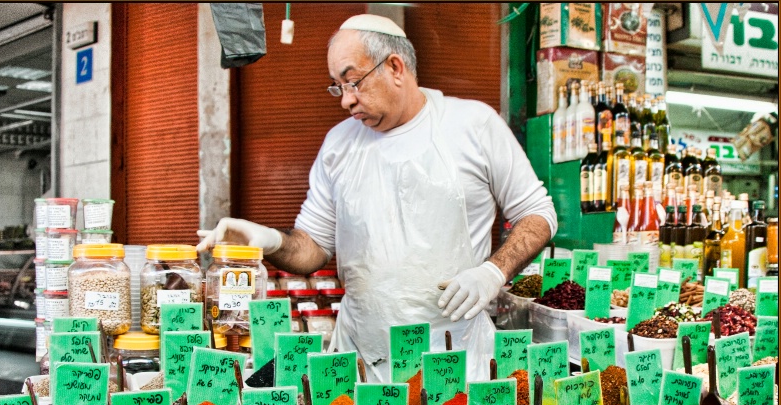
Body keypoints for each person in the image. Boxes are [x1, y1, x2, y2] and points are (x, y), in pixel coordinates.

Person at [199, 14, 557, 382]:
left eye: (353, 82)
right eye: (338, 87)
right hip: (359, 359)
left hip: (455, 359)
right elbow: (312, 249)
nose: (346, 101)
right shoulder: (339, 145)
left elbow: (538, 212)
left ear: (395, 67)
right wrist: (270, 240)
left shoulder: (473, 125)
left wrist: (493, 272)